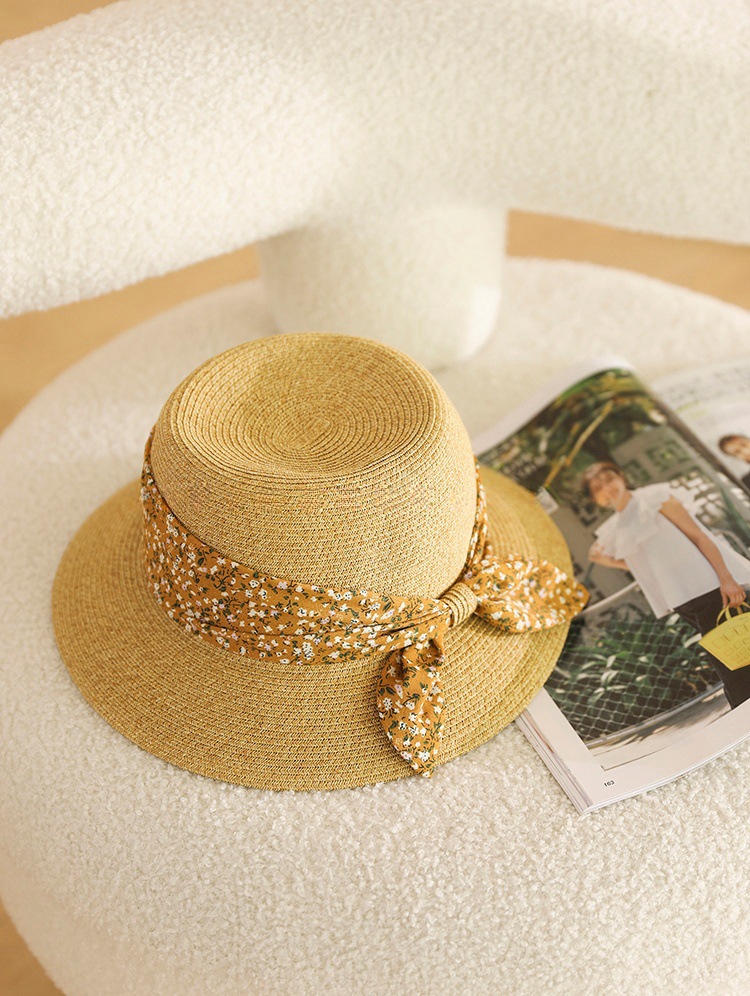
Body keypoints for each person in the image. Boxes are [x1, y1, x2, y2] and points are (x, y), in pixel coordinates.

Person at [584, 461, 750, 709]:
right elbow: (645, 567)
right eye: (598, 488)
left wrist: (726, 579)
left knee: (735, 666)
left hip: (710, 584)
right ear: (595, 499)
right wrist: (605, 560)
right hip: (683, 598)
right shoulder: (616, 527)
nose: (607, 488)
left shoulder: (655, 497)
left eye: (609, 479)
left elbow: (699, 536)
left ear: (621, 476)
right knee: (732, 656)